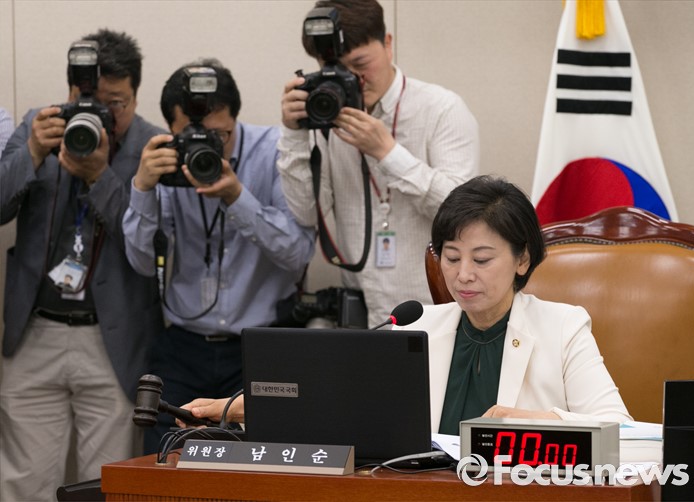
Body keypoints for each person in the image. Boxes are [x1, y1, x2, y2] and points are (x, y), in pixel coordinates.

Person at [179, 175, 632, 434]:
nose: (463, 274)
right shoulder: (416, 327)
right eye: (451, 258)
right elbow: (335, 403)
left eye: (481, 259)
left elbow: (622, 431)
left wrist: (533, 422)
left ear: (523, 259)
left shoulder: (563, 327)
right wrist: (233, 408)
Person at [0, 29, 164, 501]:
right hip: (34, 332)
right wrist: (33, 153)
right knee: (23, 482)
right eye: (88, 99)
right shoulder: (40, 125)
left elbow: (150, 250)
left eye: (116, 103)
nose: (101, 113)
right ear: (72, 90)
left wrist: (100, 177)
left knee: (108, 483)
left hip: (113, 338)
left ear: (134, 96)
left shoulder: (151, 145)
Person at [123, 59, 316, 454]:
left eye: (219, 135)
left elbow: (298, 254)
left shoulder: (273, 152)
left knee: (256, 465)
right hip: (183, 346)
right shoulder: (168, 159)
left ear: (234, 118)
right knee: (163, 462)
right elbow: (143, 263)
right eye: (191, 136)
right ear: (171, 129)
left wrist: (236, 197)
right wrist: (142, 188)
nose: (206, 146)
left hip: (263, 345)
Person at [278, 0, 479, 327]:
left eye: (360, 64)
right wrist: (293, 133)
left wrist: (387, 153)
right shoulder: (323, 117)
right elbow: (306, 213)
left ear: (387, 43)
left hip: (434, 313)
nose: (353, 79)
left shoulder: (442, 109)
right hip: (360, 317)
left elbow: (464, 214)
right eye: (335, 68)